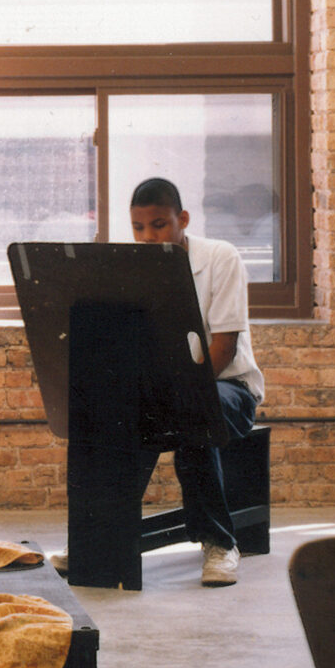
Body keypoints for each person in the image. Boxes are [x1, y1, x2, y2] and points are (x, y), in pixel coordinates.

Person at [104, 177, 266, 587]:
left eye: (159, 225)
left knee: (195, 412)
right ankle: (102, 541)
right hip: (169, 390)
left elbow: (224, 348)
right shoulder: (136, 267)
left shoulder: (220, 258)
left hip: (229, 388)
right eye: (138, 227)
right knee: (115, 417)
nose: (148, 236)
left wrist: (177, 394)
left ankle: (220, 543)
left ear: (184, 220)